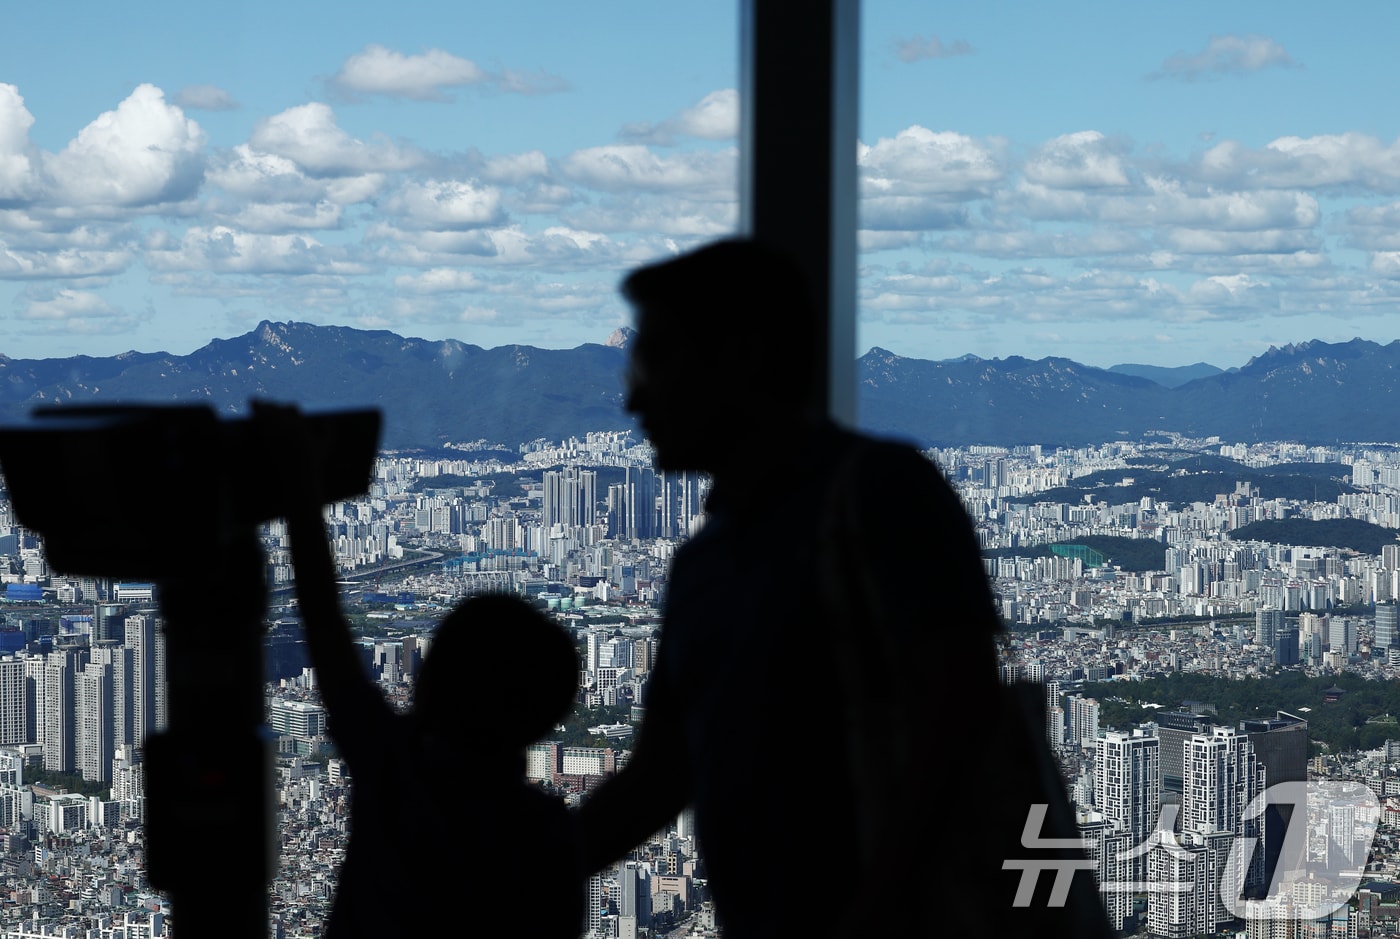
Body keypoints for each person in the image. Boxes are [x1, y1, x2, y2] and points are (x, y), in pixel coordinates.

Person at [577, 239, 1112, 937]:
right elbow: (659, 776)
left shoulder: (880, 495)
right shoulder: (704, 563)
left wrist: (874, 910)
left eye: (656, 360)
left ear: (740, 357)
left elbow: (954, 716)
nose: (634, 397)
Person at [285, 468, 584, 938]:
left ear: (435, 687)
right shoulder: (545, 835)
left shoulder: (395, 772)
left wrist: (299, 493)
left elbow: (324, 624)